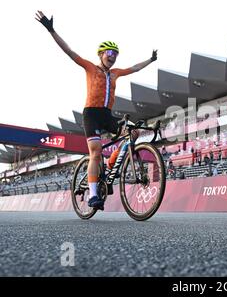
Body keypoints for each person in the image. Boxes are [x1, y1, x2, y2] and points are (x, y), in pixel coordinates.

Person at [36, 11, 157, 210]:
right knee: (95, 151)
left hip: (107, 115)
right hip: (91, 114)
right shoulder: (91, 68)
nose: (113, 57)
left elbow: (135, 67)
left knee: (132, 134)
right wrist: (51, 30)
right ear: (101, 54)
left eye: (116, 54)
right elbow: (69, 51)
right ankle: (93, 195)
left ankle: (111, 165)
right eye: (109, 53)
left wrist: (150, 60)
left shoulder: (116, 73)